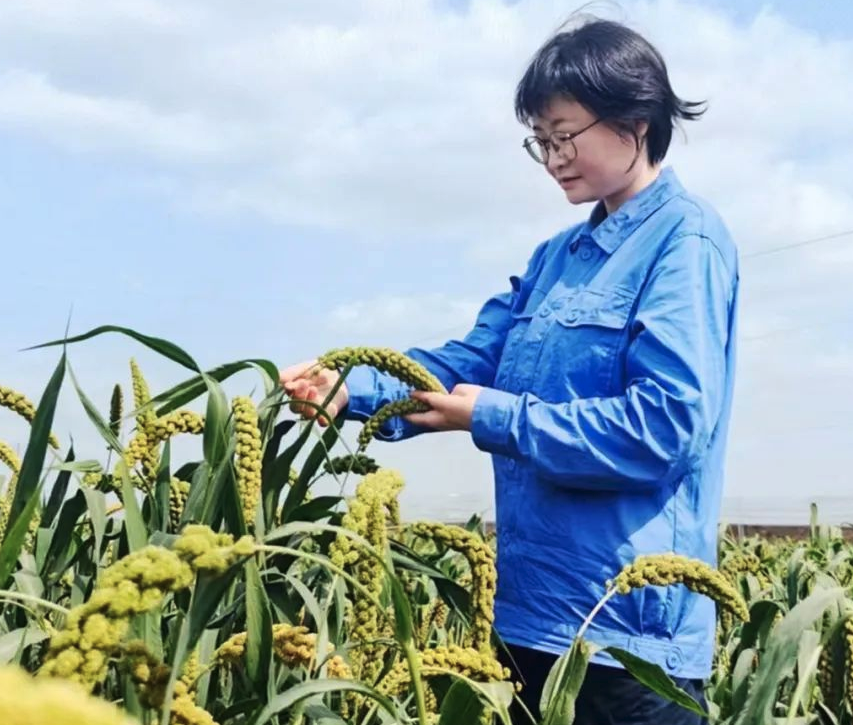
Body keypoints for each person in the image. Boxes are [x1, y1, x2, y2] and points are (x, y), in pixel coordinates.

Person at [280, 15, 738, 725]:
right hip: (529, 617)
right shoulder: (555, 259)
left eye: (564, 135)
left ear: (635, 118)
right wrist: (350, 389)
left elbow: (665, 427)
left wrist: (494, 416)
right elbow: (463, 362)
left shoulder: (685, 241)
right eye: (540, 141)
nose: (552, 157)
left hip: (625, 640)